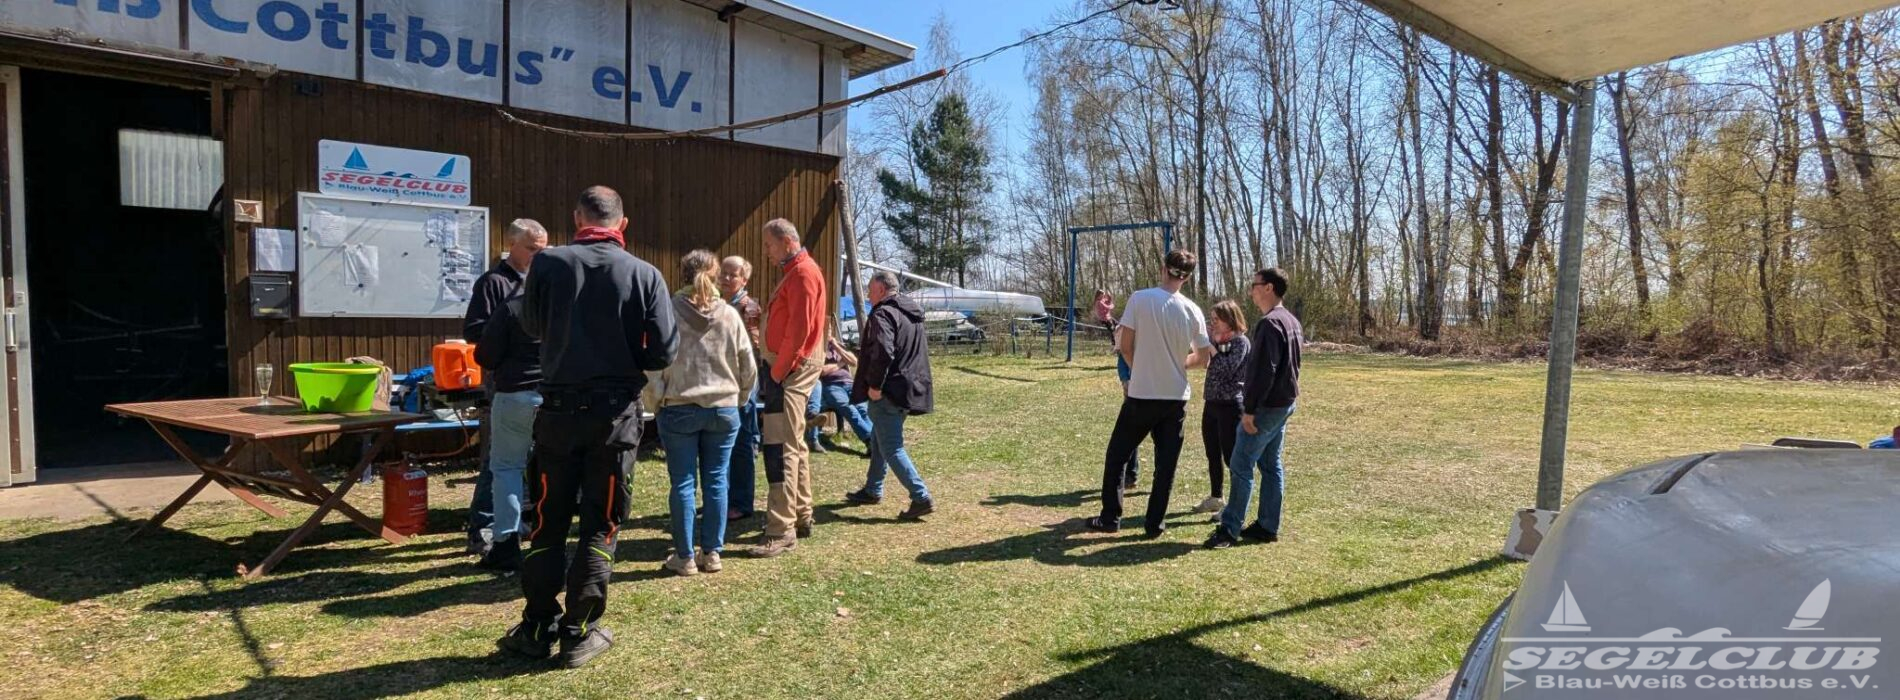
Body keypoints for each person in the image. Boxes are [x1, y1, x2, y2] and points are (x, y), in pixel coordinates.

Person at [501, 186, 676, 668]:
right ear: (623, 223)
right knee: (602, 522)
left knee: (547, 521)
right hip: (614, 416)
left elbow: (531, 325)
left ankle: (536, 625)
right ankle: (578, 631)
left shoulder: (549, 264)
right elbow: (662, 351)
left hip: (557, 413)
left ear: (578, 217)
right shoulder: (645, 274)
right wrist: (625, 356)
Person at [1087, 251, 1213, 538]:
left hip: (1143, 395)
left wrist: (1142, 369)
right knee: (1165, 466)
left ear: (1162, 269)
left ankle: (1110, 518)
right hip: (1176, 397)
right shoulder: (1192, 309)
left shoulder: (1141, 298)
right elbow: (1204, 357)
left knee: (1117, 455)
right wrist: (1175, 364)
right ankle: (1154, 524)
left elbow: (1126, 345)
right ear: (1188, 277)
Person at [646, 250, 754, 577]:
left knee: (683, 482)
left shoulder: (667, 311)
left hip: (679, 405)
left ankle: (685, 556)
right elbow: (747, 364)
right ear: (715, 273)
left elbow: (653, 364)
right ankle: (713, 553)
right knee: (717, 480)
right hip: (722, 407)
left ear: (682, 273)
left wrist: (656, 401)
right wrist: (739, 398)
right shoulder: (730, 315)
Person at [461, 219, 549, 556]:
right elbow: (475, 332)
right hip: (505, 382)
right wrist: (507, 333)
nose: (537, 256)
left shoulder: (545, 284)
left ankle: (517, 523)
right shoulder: (493, 283)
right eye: (531, 249)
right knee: (499, 461)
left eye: (543, 250)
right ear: (511, 244)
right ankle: (482, 528)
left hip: (541, 387)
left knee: (528, 459)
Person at [1206, 268, 1302, 550]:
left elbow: (1264, 372)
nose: (1251, 291)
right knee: (1270, 465)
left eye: (1255, 285)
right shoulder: (1290, 320)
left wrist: (1249, 411)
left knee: (1240, 464)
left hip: (1267, 407)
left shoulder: (1271, 323)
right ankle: (1267, 525)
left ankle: (1229, 529)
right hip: (1284, 404)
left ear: (1269, 288)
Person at [755, 218, 826, 558]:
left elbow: (801, 329)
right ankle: (801, 514)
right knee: (794, 443)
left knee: (780, 447)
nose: (766, 252)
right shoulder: (798, 271)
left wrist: (779, 372)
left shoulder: (802, 274)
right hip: (790, 369)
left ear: (785, 242)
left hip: (788, 371)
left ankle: (780, 529)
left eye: (768, 245)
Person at [841, 271, 936, 518]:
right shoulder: (911, 313)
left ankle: (921, 496)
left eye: (870, 290)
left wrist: (875, 385)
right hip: (909, 388)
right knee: (879, 438)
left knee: (891, 446)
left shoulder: (883, 313)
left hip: (889, 389)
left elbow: (883, 350)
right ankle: (873, 488)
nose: (868, 296)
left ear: (882, 290)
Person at [472, 286, 543, 572]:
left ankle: (506, 544)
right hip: (558, 398)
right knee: (556, 471)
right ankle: (548, 542)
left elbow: (485, 356)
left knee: (507, 469)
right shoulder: (570, 307)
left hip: (515, 394)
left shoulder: (513, 308)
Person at [720, 255, 765, 521]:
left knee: (742, 441)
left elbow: (755, 349)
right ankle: (722, 498)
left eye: (732, 275)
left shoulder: (748, 308)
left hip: (743, 383)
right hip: (725, 382)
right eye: (723, 273)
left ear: (744, 279)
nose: (726, 279)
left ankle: (741, 501)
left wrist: (746, 382)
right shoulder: (722, 304)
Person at [1197, 300, 1250, 516]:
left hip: (1230, 406)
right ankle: (1216, 496)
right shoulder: (1217, 342)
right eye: (1211, 320)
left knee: (1231, 457)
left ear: (1230, 320)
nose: (1213, 324)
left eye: (1217, 320)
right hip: (1211, 404)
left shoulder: (1241, 342)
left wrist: (1211, 347)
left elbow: (1225, 368)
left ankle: (1235, 505)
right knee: (1212, 453)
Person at [1096, 290, 1142, 490]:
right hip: (1131, 384)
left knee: (1155, 435)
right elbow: (1120, 350)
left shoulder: (1149, 328)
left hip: (1149, 384)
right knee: (1130, 432)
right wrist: (1125, 380)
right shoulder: (1124, 328)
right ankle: (1130, 475)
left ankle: (1150, 476)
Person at [806, 336, 874, 453]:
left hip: (850, 384)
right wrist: (841, 363)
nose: (828, 333)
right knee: (849, 409)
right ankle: (871, 441)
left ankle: (875, 442)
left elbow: (853, 361)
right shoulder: (817, 349)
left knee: (863, 410)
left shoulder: (838, 346)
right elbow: (822, 371)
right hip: (832, 386)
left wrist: (836, 346)